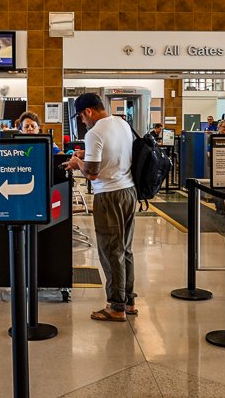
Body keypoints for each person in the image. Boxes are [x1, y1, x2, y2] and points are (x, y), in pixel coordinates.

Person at [64, 93, 137, 322]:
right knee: (125, 249)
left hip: (109, 196)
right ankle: (129, 301)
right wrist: (87, 154)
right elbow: (115, 154)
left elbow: (92, 173)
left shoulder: (94, 132)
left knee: (110, 251)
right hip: (128, 191)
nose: (83, 122)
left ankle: (116, 307)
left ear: (88, 112)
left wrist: (77, 162)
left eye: (82, 117)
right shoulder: (122, 124)